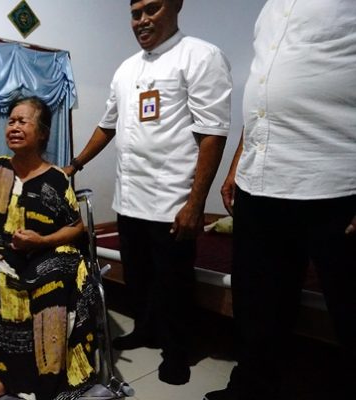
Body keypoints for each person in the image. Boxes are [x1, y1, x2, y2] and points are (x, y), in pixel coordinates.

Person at [64, 0, 232, 385]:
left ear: (176, 6)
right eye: (135, 13)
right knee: (139, 277)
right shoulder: (126, 69)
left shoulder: (200, 56)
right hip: (129, 198)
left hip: (172, 200)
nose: (141, 20)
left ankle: (177, 351)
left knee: (174, 283)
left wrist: (195, 204)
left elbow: (213, 134)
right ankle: (147, 330)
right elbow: (107, 125)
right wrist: (75, 164)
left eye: (151, 9)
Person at [204, 1, 356, 399]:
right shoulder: (271, 8)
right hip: (261, 181)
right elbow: (264, 95)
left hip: (336, 181)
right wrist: (238, 162)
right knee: (256, 305)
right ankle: (252, 389)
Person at [0, 97, 98, 400]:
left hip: (50, 251)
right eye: (11, 121)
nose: (14, 127)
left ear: (42, 133)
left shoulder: (56, 178)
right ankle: (9, 375)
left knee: (55, 276)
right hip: (5, 252)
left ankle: (50, 380)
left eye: (23, 121)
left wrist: (41, 241)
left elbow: (76, 228)